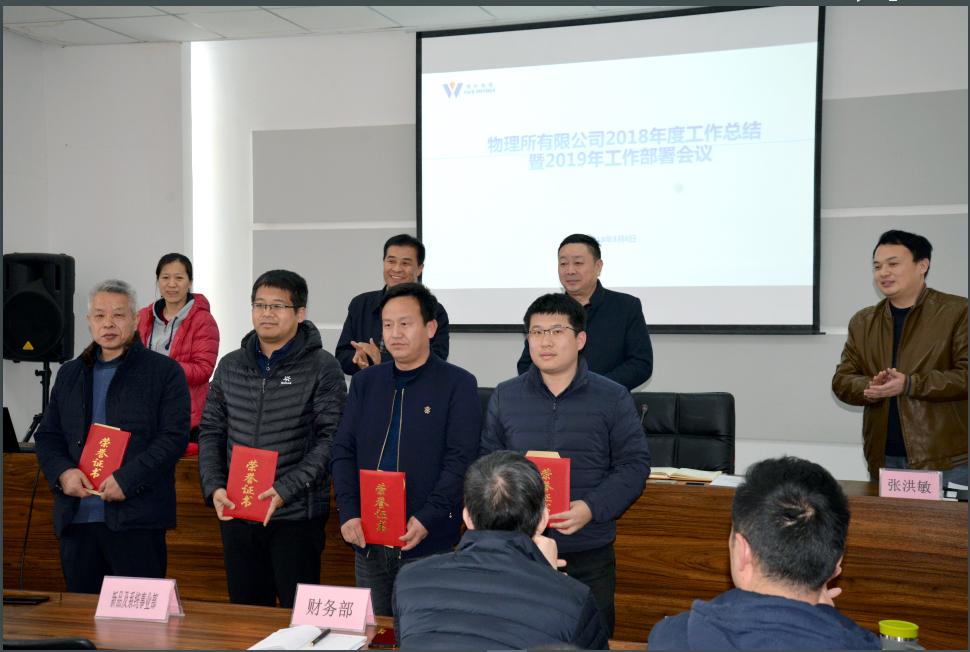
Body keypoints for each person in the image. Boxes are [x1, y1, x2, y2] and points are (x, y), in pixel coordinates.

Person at [482, 292, 651, 637]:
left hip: (588, 549)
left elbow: (634, 465)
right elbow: (488, 465)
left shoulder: (612, 396)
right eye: (536, 332)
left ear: (580, 339)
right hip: (520, 550)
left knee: (590, 638)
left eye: (557, 331)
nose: (545, 341)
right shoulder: (506, 395)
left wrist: (591, 508)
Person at [198, 270, 346, 608]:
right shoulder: (230, 366)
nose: (267, 313)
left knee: (299, 619)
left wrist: (285, 489)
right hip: (238, 512)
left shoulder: (323, 367)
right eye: (259, 305)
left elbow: (331, 439)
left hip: (295, 516)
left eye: (277, 306)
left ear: (300, 313)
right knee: (247, 616)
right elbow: (210, 431)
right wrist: (214, 487)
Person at [330, 282, 480, 616]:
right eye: (387, 325)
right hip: (368, 536)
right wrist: (349, 511)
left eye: (405, 323)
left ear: (430, 327)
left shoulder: (458, 384)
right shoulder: (366, 382)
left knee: (424, 630)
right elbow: (343, 449)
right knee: (374, 632)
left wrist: (427, 517)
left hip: (428, 539)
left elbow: (461, 461)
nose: (395, 334)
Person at [34, 279, 190, 593]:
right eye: (100, 315)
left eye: (118, 315)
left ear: (135, 319)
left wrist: (127, 479)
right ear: (89, 321)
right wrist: (63, 473)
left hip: (137, 519)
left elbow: (173, 437)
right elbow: (48, 435)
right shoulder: (70, 373)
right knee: (83, 616)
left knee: (138, 617)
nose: (108, 323)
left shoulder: (164, 372)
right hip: (77, 518)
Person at [647, 456, 881, 650]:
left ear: (742, 552)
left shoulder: (672, 639)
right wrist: (822, 618)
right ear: (837, 562)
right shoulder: (864, 645)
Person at [393, 451, 608, 649]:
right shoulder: (574, 599)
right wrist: (549, 577)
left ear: (467, 517)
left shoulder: (409, 581)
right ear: (543, 520)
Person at [832, 230, 967, 485]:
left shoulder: (959, 312)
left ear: (922, 265)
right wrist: (870, 386)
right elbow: (841, 381)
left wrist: (909, 384)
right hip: (884, 458)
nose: (883, 273)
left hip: (947, 461)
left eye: (893, 264)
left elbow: (966, 376)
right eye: (877, 266)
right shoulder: (863, 321)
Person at [516, 233, 653, 390]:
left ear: (598, 266)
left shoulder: (626, 306)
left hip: (606, 400)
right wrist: (554, 389)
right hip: (553, 400)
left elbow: (640, 364)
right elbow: (526, 364)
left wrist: (595, 389)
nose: (570, 270)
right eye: (563, 264)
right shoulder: (546, 310)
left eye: (578, 263)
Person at [335, 234, 450, 376]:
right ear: (383, 262)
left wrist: (380, 359)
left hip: (415, 387)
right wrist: (360, 357)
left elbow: (437, 359)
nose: (397, 269)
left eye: (405, 263)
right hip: (369, 386)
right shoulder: (360, 304)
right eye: (391, 261)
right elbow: (342, 356)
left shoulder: (435, 310)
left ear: (420, 268)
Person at [136, 252, 219, 445]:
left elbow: (203, 370)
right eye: (165, 277)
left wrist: (163, 368)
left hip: (185, 415)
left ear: (190, 282)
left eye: (179, 278)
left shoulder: (203, 320)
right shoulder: (142, 317)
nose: (171, 284)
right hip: (145, 414)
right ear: (158, 281)